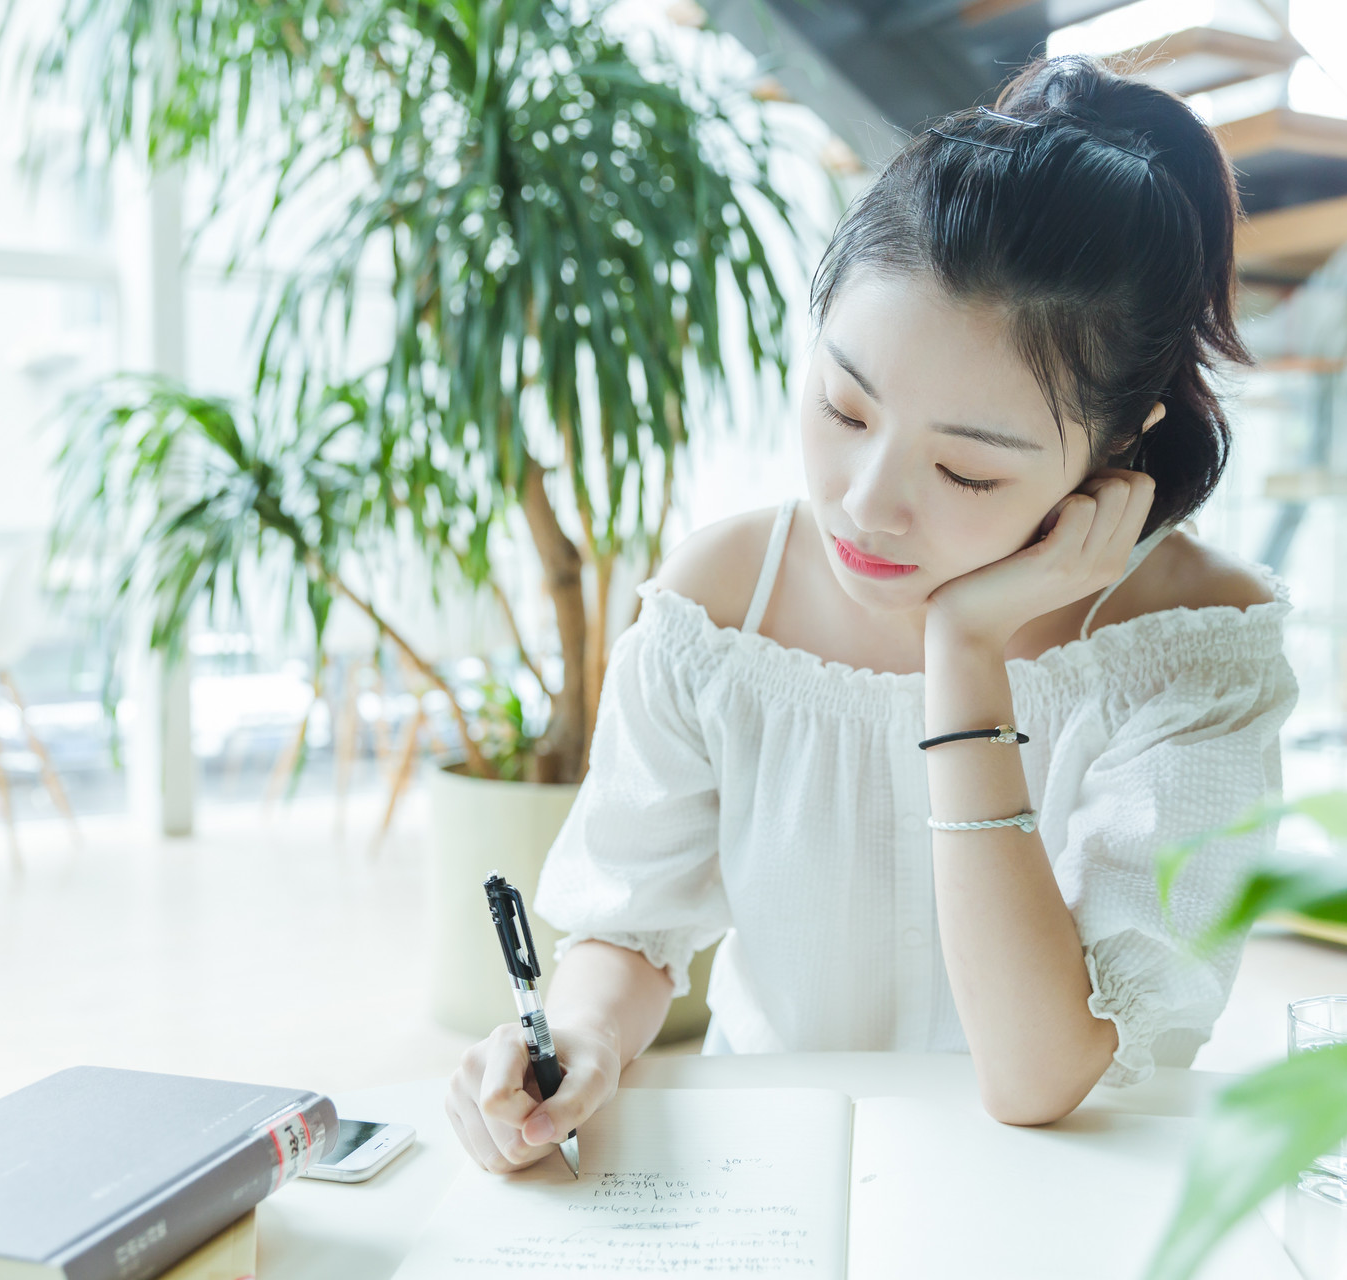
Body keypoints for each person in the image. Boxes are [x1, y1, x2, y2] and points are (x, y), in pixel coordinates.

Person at [444, 52, 1299, 1173]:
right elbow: (633, 920)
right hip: (779, 1187)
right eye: (845, 406)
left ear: (1118, 444)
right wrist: (585, 1037)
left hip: (1074, 1192)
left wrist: (966, 652)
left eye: (969, 473)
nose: (864, 503)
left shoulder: (1197, 649)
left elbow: (1043, 1069)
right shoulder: (722, 604)